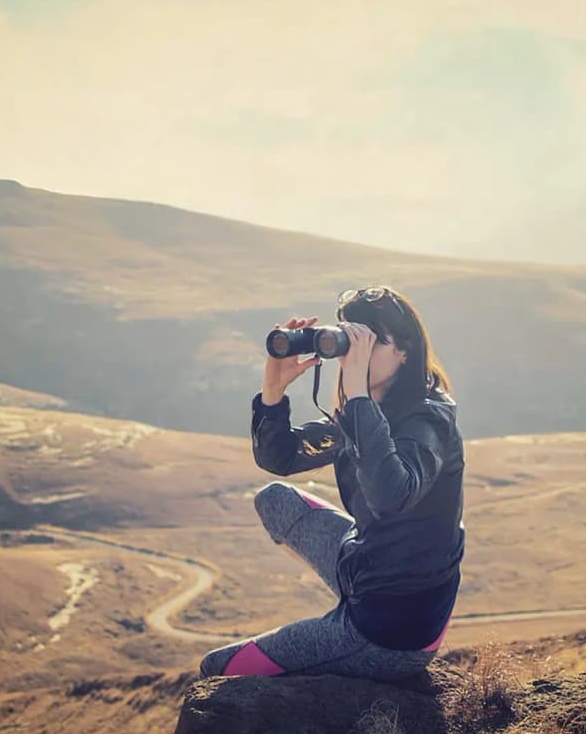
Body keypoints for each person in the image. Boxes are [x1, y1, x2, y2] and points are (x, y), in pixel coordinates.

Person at [198, 285, 465, 682]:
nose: (353, 357)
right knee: (275, 501)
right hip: (370, 565)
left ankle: (342, 632)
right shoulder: (371, 408)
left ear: (405, 350)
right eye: (349, 342)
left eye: (371, 343)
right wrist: (273, 393)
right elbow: (281, 458)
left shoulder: (427, 421)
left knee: (218, 669)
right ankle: (347, 605)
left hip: (392, 630)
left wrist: (357, 393)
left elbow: (391, 496)